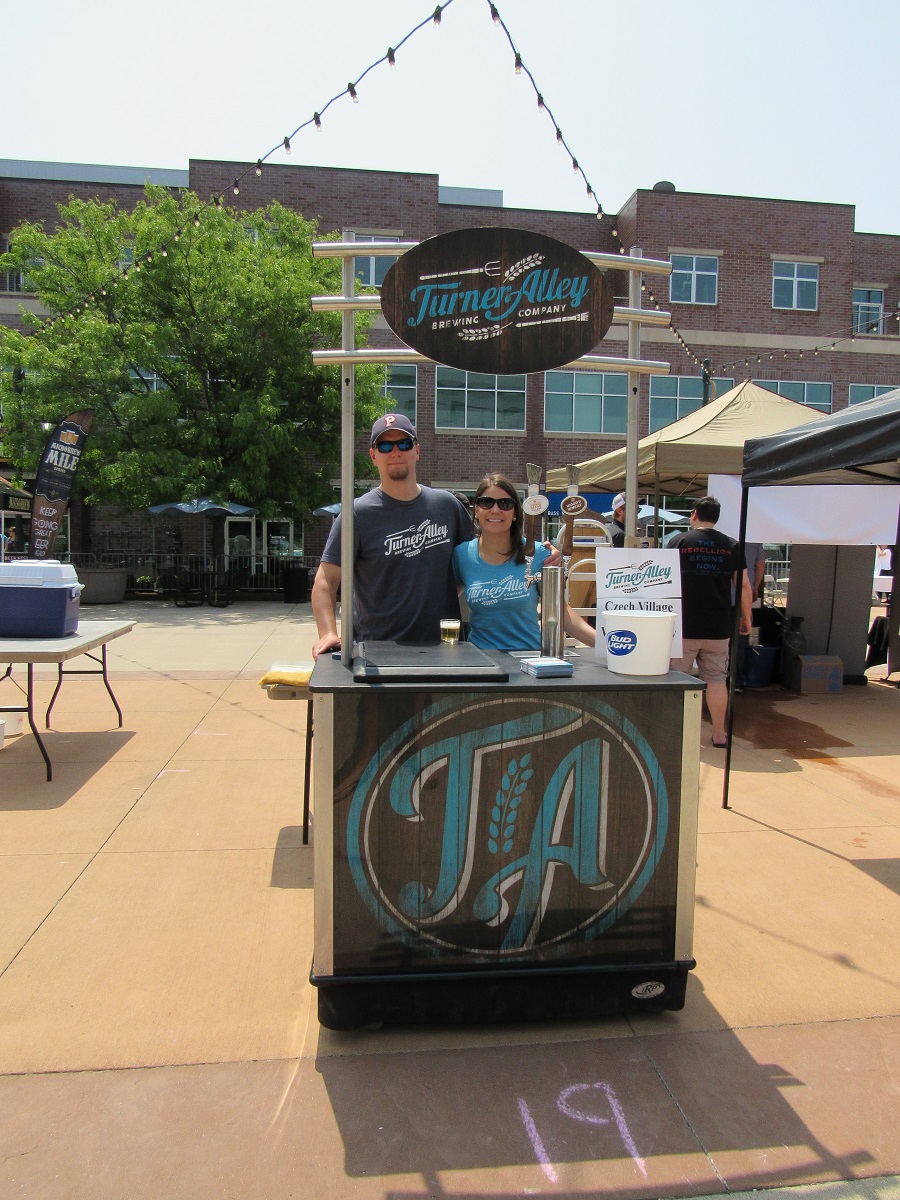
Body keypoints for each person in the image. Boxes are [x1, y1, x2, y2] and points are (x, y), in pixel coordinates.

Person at [311, 413, 473, 658]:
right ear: (374, 456)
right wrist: (327, 634)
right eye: (385, 446)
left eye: (404, 444)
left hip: (444, 650)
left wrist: (538, 553)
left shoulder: (447, 506)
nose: (395, 452)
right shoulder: (356, 514)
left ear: (416, 451)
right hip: (377, 653)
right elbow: (325, 581)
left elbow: (481, 560)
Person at [453, 472, 596, 652]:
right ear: (477, 510)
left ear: (515, 513)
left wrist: (606, 646)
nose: (495, 510)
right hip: (483, 663)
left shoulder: (538, 554)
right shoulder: (462, 555)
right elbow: (444, 600)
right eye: (486, 502)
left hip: (528, 659)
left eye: (505, 504)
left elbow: (561, 612)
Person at [668, 496, 752, 748]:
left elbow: (662, 580)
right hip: (718, 625)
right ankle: (718, 734)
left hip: (684, 624)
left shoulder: (678, 541)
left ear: (693, 514)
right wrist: (746, 617)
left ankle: (675, 731)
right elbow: (744, 586)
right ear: (716, 517)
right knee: (716, 678)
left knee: (676, 678)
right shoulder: (732, 545)